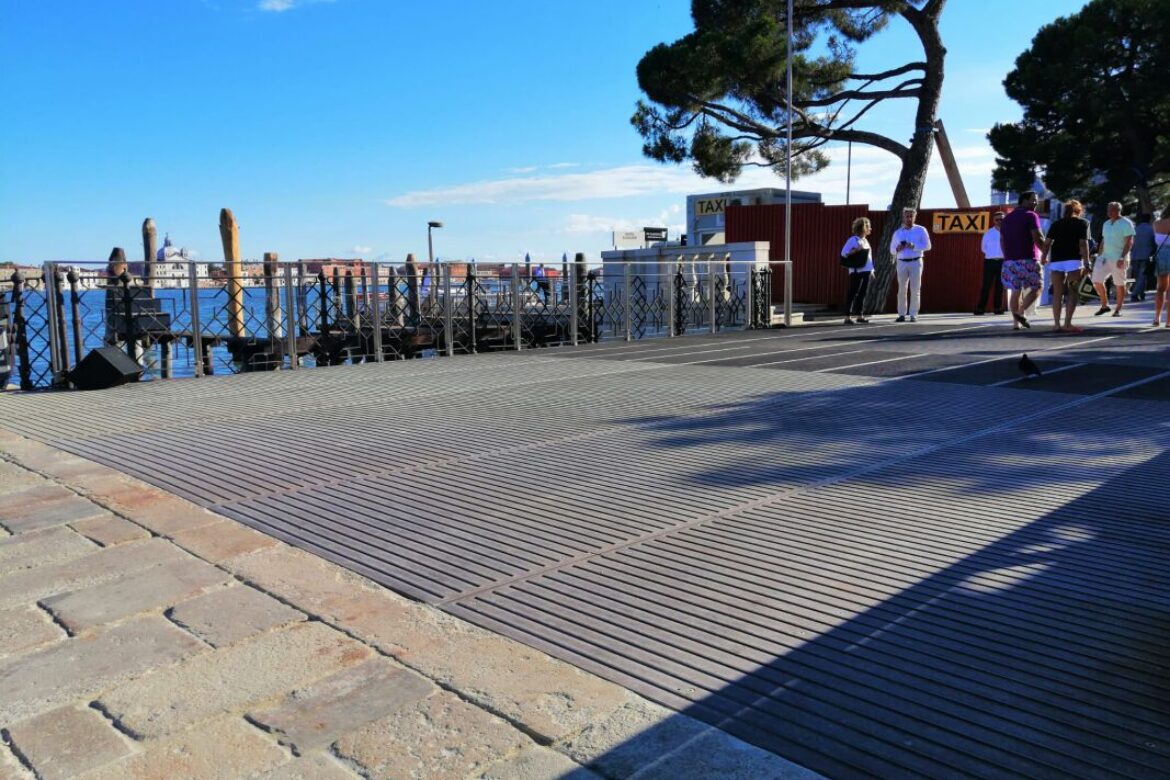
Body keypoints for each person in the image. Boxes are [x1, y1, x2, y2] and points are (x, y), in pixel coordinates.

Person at [1040, 199, 1091, 333]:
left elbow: (1047, 243)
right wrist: (1087, 262)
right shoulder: (1083, 223)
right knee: (1072, 292)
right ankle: (1067, 323)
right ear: (1079, 211)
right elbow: (1083, 244)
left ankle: (1057, 324)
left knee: (1057, 293)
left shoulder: (1056, 224)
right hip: (1073, 260)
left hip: (1056, 260)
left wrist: (1043, 257)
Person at [999, 190, 1045, 330]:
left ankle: (1016, 323)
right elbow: (1038, 237)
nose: (1036, 202)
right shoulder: (1031, 215)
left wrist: (1007, 257)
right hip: (1028, 259)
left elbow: (1002, 240)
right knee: (1038, 287)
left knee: (1015, 291)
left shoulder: (1007, 218)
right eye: (1033, 200)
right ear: (1024, 201)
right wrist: (1046, 252)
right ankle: (1020, 312)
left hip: (1010, 261)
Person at [889, 207, 931, 322]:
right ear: (903, 217)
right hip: (902, 262)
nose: (909, 218)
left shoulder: (921, 230)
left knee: (915, 288)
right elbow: (892, 250)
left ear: (915, 217)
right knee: (902, 289)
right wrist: (898, 248)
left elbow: (928, 246)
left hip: (916, 261)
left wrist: (914, 246)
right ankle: (901, 314)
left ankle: (913, 314)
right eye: (907, 216)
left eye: (911, 216)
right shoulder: (898, 233)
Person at [1092, 201, 1134, 317]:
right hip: (1104, 257)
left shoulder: (1126, 223)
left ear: (1118, 211)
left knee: (1119, 284)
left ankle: (1118, 309)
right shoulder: (1106, 224)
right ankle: (1105, 305)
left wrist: (1122, 257)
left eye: (1111, 210)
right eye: (1108, 210)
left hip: (1119, 258)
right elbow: (1104, 241)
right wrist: (1099, 255)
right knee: (1096, 280)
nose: (1109, 212)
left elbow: (1129, 242)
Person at [841, 217, 874, 325]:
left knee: (862, 293)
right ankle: (847, 316)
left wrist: (872, 270)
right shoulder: (852, 240)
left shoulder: (865, 240)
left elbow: (869, 257)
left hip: (866, 270)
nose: (870, 228)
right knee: (853, 292)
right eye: (868, 226)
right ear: (863, 228)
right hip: (857, 271)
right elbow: (844, 253)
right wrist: (856, 250)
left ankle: (860, 315)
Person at [974, 212, 1006, 315]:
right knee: (986, 285)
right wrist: (992, 254)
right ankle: (980, 308)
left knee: (1000, 286)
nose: (999, 221)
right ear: (993, 221)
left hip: (1003, 261)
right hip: (990, 261)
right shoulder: (988, 233)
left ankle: (997, 308)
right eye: (997, 219)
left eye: (1001, 219)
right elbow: (983, 248)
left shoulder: (1008, 232)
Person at [1130, 213, 1156, 303]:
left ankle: (1141, 293)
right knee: (1142, 276)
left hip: (1135, 255)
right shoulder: (1151, 229)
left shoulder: (1135, 229)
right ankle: (1134, 294)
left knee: (1138, 276)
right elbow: (1154, 243)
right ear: (1149, 219)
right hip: (1145, 255)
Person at [1153, 209, 1170, 327]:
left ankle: (1157, 318)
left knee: (1161, 288)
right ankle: (1169, 321)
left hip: (1161, 255)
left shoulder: (1157, 224)